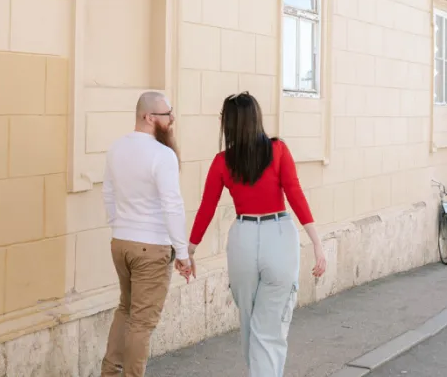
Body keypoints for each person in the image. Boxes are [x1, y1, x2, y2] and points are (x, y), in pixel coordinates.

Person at [188, 92, 327, 377]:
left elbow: (206, 208)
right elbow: (295, 195)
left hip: (243, 238)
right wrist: (317, 242)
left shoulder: (222, 162)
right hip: (279, 236)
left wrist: (189, 249)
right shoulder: (278, 151)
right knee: (270, 327)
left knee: (252, 324)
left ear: (232, 123)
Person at [101, 91, 192, 377]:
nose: (172, 119)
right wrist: (183, 252)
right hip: (151, 247)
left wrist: (121, 225)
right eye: (167, 115)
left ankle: (109, 373)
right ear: (149, 117)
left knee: (125, 310)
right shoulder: (162, 155)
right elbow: (172, 205)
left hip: (121, 242)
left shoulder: (116, 148)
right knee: (141, 322)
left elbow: (108, 194)